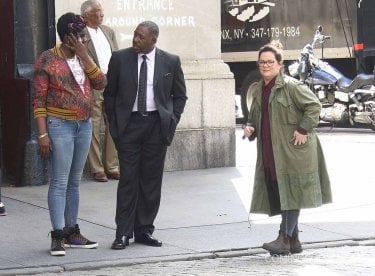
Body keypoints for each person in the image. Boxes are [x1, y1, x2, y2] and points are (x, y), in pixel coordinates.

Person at [104, 21, 187, 250]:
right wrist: (115, 125)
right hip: (128, 127)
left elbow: (180, 95)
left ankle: (144, 230)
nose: (135, 39)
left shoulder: (170, 61)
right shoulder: (120, 59)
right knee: (128, 180)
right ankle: (122, 233)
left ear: (153, 40)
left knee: (151, 181)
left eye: (141, 36)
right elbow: (109, 95)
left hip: (156, 127)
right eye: (134, 35)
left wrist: (171, 119)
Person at [243, 41, 332, 255]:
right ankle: (294, 241)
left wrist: (303, 129)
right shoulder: (257, 90)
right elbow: (255, 117)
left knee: (291, 192)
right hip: (272, 152)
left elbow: (314, 106)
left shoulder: (291, 86)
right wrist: (250, 128)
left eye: (270, 62)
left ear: (280, 64)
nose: (265, 66)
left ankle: (284, 238)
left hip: (293, 151)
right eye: (262, 62)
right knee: (285, 190)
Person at [33, 12, 106, 256]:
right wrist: (43, 135)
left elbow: (100, 83)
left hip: (83, 125)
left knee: (74, 182)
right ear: (68, 38)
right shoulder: (47, 59)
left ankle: (71, 232)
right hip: (59, 126)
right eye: (81, 36)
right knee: (60, 182)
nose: (86, 39)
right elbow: (39, 100)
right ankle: (57, 236)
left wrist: (85, 55)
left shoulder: (83, 57)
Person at [81, 0, 120, 182]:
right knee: (94, 125)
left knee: (114, 123)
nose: (100, 15)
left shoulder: (108, 31)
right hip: (93, 83)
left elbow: (117, 56)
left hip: (111, 82)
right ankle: (97, 169)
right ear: (85, 16)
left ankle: (112, 166)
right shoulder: (80, 34)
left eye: (101, 12)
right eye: (95, 13)